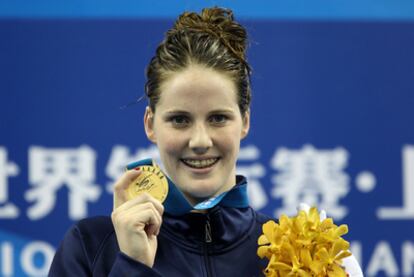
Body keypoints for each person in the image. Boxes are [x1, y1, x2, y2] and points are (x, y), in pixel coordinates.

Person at [49, 7, 273, 276]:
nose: (200, 141)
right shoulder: (90, 246)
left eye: (218, 118)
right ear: (150, 124)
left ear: (245, 121)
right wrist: (132, 266)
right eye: (179, 120)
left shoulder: (294, 251)